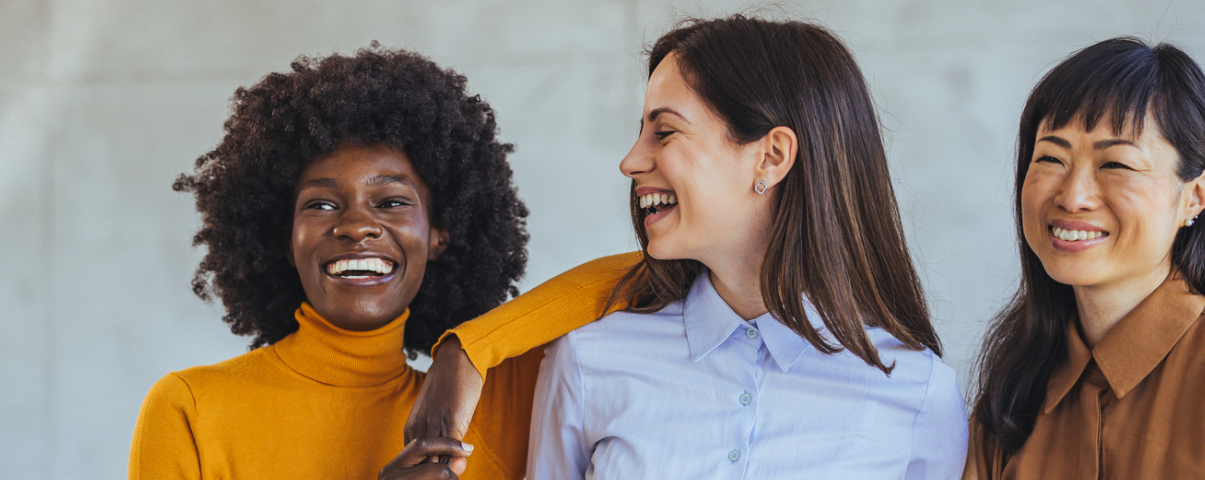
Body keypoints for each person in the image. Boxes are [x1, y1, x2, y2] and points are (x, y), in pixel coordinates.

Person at [399, 16, 967, 479]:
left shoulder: (919, 394)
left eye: (664, 131)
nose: (630, 161)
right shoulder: (588, 361)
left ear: (771, 157)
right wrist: (466, 350)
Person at [127, 45, 541, 480]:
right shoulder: (190, 407)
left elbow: (615, 279)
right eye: (322, 205)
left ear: (441, 234)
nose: (357, 225)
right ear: (286, 239)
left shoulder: (482, 417)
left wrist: (464, 348)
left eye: (392, 201)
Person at [963, 38, 1205, 479]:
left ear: (1195, 196)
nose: (1072, 197)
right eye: (1052, 158)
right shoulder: (1009, 400)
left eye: (1115, 164)